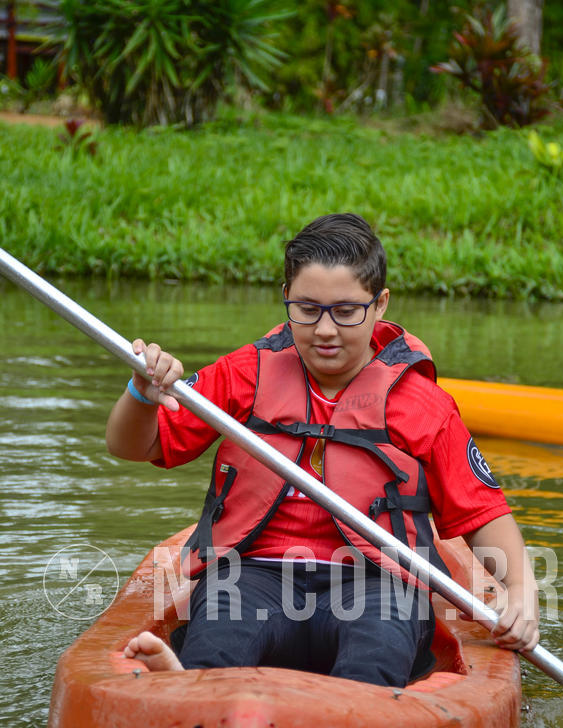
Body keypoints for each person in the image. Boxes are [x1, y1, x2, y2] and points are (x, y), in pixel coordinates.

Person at [107, 213, 539, 683]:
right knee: (221, 635)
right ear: (285, 298)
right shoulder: (245, 374)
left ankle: (364, 714)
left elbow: (483, 516)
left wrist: (522, 592)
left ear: (380, 305)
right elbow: (135, 445)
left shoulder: (422, 406)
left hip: (375, 583)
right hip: (252, 574)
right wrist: (140, 395)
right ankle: (190, 678)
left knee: (374, 656)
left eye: (346, 311)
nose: (325, 330)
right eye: (307, 309)